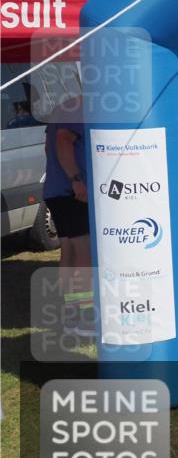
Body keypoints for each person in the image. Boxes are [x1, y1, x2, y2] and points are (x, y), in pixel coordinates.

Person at [43, 94, 94, 335]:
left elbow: (49, 146)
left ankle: (71, 314)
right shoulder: (79, 108)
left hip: (57, 189)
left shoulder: (62, 108)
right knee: (83, 253)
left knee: (70, 252)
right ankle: (82, 317)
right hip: (72, 191)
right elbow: (63, 141)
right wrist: (76, 179)